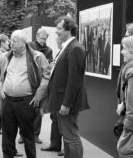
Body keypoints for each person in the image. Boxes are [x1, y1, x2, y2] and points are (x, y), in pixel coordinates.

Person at [0, 30, 50, 158]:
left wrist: (39, 95)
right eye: (11, 40)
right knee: (7, 136)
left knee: (28, 136)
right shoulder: (6, 56)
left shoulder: (37, 56)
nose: (11, 43)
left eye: (14, 41)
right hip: (7, 100)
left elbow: (47, 76)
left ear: (23, 42)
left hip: (27, 102)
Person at [46, 16, 89, 158]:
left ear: (69, 30)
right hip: (62, 101)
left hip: (66, 103)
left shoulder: (75, 48)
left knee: (71, 137)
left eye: (59, 29)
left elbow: (74, 80)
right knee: (68, 137)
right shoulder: (68, 47)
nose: (56, 32)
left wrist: (66, 103)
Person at [0, 34, 22, 158]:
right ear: (1, 43)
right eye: (8, 41)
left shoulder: (7, 54)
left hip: (10, 92)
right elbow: (1, 72)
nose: (9, 44)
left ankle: (11, 149)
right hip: (0, 92)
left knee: (12, 123)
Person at [18, 27, 53, 144]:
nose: (43, 40)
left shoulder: (49, 50)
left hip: (41, 83)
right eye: (41, 38)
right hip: (28, 81)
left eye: (45, 39)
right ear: (37, 36)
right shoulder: (29, 46)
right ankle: (23, 135)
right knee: (24, 111)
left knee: (38, 110)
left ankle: (35, 135)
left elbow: (49, 65)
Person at [41, 37, 64, 156]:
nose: (58, 43)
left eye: (59, 41)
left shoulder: (68, 53)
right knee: (54, 119)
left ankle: (66, 148)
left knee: (64, 122)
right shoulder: (59, 53)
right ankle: (55, 144)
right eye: (58, 41)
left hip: (62, 94)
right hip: (55, 93)